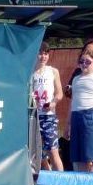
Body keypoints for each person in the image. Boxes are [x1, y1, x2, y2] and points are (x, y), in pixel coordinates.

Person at [30, 42, 64, 171]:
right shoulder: (30, 72)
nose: (43, 57)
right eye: (40, 53)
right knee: (38, 153)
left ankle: (61, 179)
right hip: (34, 117)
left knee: (53, 151)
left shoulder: (53, 71)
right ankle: (45, 175)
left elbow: (59, 93)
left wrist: (53, 103)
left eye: (45, 54)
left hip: (48, 117)